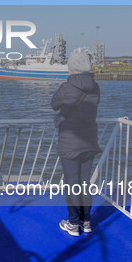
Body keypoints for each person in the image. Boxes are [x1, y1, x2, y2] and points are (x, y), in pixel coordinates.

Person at [51, 51, 101, 236]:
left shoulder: (67, 86)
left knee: (72, 183)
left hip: (70, 141)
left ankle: (73, 224)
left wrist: (64, 108)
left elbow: (54, 104)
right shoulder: (95, 87)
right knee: (84, 182)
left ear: (72, 68)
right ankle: (86, 222)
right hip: (89, 139)